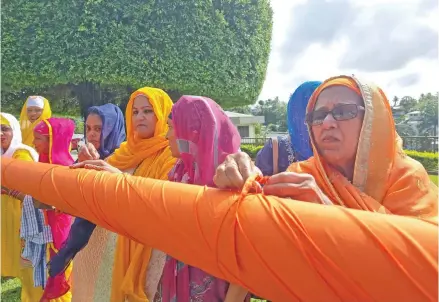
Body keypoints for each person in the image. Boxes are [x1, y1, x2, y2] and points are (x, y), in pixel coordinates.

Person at [71, 87, 177, 301]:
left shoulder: (171, 155)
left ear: (163, 114)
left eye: (148, 111)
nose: (140, 117)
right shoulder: (124, 152)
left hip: (142, 249)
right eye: (135, 112)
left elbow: (163, 200)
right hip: (104, 247)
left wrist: (119, 178)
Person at [154, 95, 249, 302]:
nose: (166, 135)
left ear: (192, 133)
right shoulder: (179, 173)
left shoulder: (231, 177)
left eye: (171, 127)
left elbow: (247, 257)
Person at [46, 104, 126, 301]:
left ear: (112, 128)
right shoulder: (85, 158)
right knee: (83, 291)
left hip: (113, 246)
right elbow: (66, 200)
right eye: (88, 128)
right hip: (84, 247)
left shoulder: (126, 160)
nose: (91, 134)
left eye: (98, 129)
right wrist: (79, 168)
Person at [31, 117, 75, 302]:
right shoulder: (42, 163)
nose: (34, 143)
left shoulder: (65, 168)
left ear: (52, 140)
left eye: (38, 138)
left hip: (60, 228)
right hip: (47, 227)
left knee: (61, 265)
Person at [1, 112, 42, 302]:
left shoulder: (21, 154)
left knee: (27, 264)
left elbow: (27, 187)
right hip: (8, 215)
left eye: (4, 129)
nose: (0, 134)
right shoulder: (3, 154)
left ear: (14, 131)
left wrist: (7, 190)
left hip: (25, 218)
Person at [256, 81, 321, 175]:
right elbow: (254, 186)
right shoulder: (275, 150)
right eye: (310, 114)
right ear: (295, 115)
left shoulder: (340, 150)